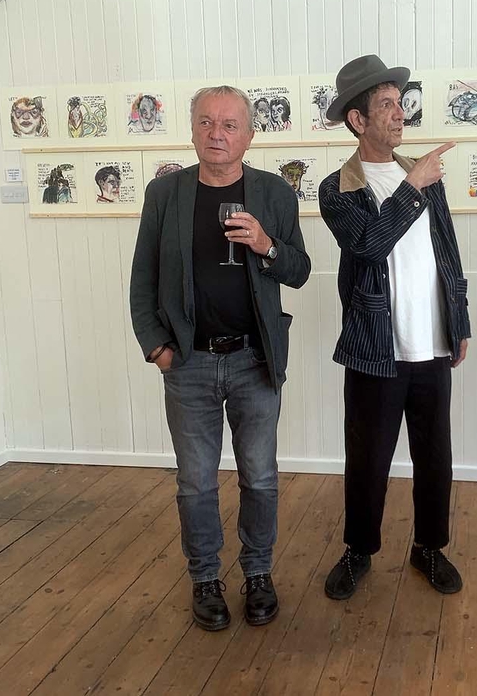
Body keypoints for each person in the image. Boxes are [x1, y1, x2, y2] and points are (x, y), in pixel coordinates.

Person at [130, 85, 311, 632]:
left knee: (260, 477)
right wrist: (158, 349)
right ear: (192, 131)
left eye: (230, 125)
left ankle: (258, 573)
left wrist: (266, 245)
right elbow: (142, 280)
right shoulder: (166, 194)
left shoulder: (274, 193)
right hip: (189, 363)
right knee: (195, 482)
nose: (217, 134)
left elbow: (299, 271)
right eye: (206, 122)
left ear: (249, 136)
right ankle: (205, 578)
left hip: (255, 360)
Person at [318, 54, 471, 600]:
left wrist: (460, 319)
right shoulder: (337, 188)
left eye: (399, 103)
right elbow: (368, 245)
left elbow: (447, 251)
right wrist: (412, 185)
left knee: (435, 456)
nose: (399, 112)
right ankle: (359, 550)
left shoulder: (425, 176)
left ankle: (430, 547)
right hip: (374, 348)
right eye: (386, 104)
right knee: (368, 458)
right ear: (357, 120)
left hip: (432, 343)